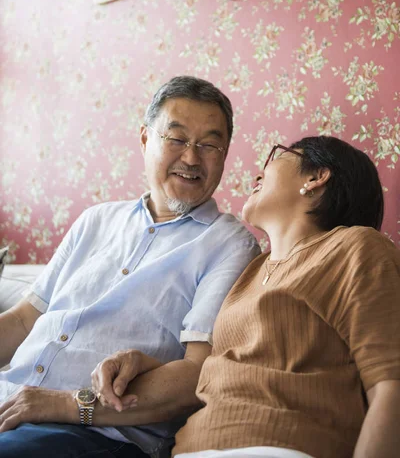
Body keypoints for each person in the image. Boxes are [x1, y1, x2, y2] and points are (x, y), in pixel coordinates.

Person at [0, 76, 260, 458]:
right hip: (11, 404)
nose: (191, 158)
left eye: (209, 144)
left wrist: (59, 403)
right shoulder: (96, 220)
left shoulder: (229, 245)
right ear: (144, 139)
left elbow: (197, 375)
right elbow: (25, 319)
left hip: (95, 435)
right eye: (176, 139)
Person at [94, 136, 400, 458]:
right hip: (189, 447)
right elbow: (232, 370)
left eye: (276, 157)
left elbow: (391, 385)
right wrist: (143, 364)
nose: (258, 174)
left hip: (284, 445)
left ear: (315, 178)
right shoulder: (250, 271)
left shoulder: (357, 248)